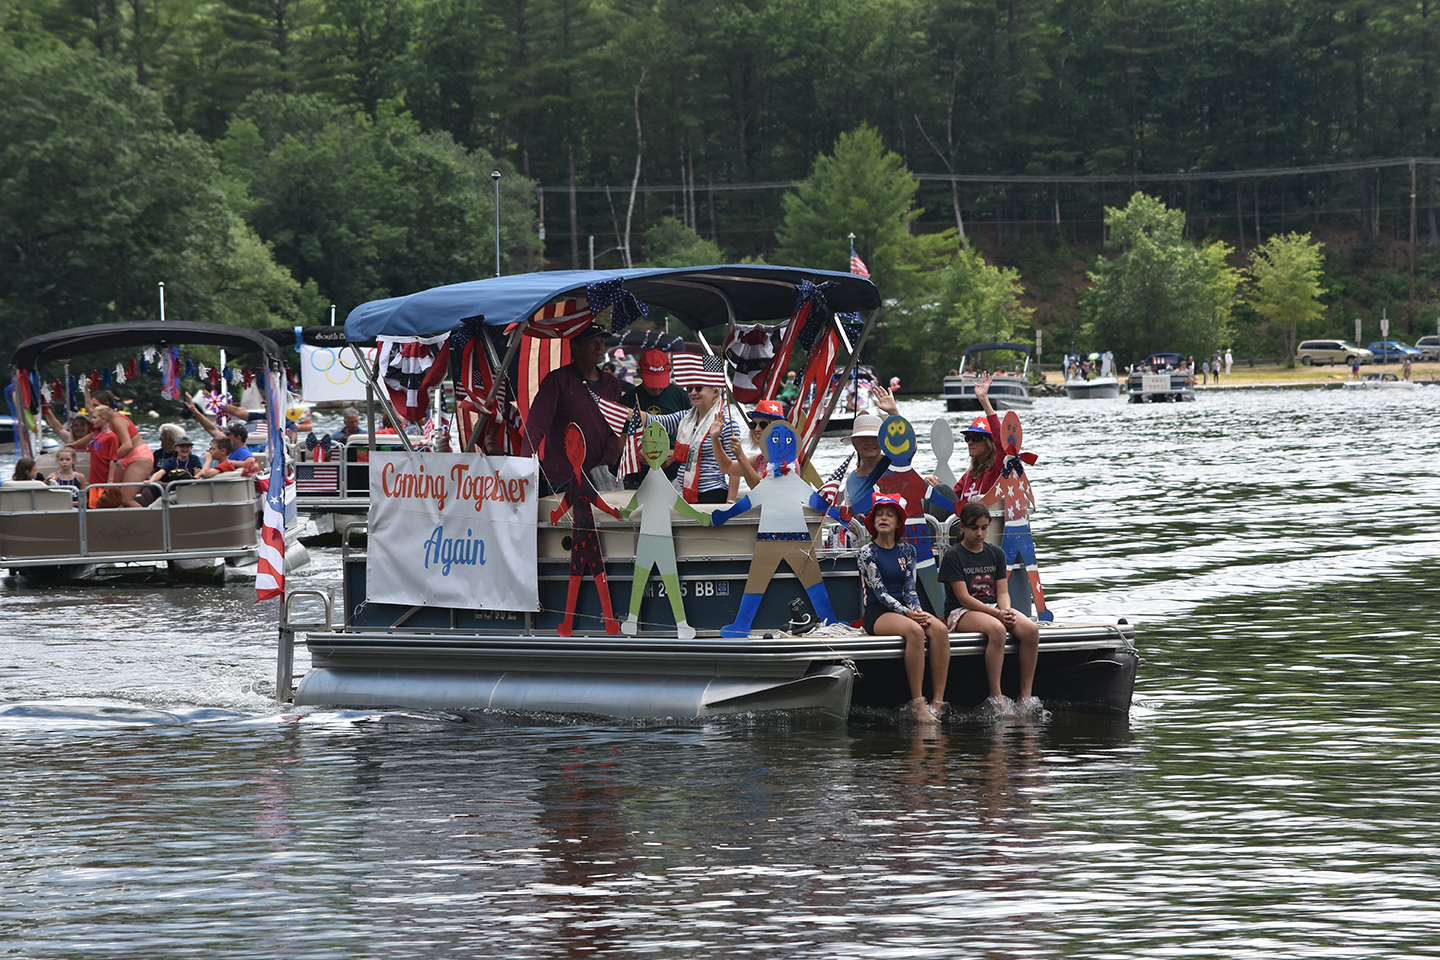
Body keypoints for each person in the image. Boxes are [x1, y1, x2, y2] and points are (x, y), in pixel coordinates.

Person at [940, 500, 1041, 714]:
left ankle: (1025, 695)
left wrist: (1005, 610)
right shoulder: (953, 555)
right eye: (974, 528)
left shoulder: (996, 553)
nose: (980, 533)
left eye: (984, 528)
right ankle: (996, 695)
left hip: (993, 607)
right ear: (963, 527)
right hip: (961, 611)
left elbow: (1003, 592)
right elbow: (964, 598)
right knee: (997, 629)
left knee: (1031, 630)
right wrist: (998, 615)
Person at [858, 494, 950, 723]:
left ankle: (938, 702)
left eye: (890, 515)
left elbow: (910, 588)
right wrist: (909, 615)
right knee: (915, 631)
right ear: (873, 522)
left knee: (939, 629)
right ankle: (918, 704)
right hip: (878, 612)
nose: (883, 518)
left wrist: (917, 611)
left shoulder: (908, 550)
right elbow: (880, 592)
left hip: (906, 611)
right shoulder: (867, 553)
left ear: (899, 523)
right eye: (879, 514)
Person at [619, 421, 713, 639]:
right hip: (651, 538)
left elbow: (675, 503)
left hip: (658, 538)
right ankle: (671, 624)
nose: (653, 448)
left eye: (657, 441)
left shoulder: (658, 479)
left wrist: (698, 516)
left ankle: (662, 623)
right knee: (649, 580)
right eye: (650, 441)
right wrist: (625, 512)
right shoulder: (654, 480)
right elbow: (638, 500)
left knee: (658, 580)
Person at [523, 323, 623, 493]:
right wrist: (523, 470)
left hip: (603, 477)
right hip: (563, 479)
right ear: (575, 348)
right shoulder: (557, 380)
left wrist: (603, 466)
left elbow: (616, 431)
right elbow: (535, 427)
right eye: (593, 341)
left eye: (602, 341)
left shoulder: (612, 383)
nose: (600, 346)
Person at [549, 425, 625, 636]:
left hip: (588, 534)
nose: (575, 449)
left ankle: (608, 622)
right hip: (580, 535)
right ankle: (569, 624)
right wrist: (556, 514)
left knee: (598, 578)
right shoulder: (575, 482)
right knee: (577, 579)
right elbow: (567, 502)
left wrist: (612, 511)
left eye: (579, 444)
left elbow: (596, 500)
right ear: (565, 449)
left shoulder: (580, 481)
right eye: (570, 444)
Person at [646, 381, 740, 503]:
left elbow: (735, 468)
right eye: (690, 389)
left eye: (699, 388)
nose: (693, 393)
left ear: (715, 392)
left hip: (713, 493)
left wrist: (730, 502)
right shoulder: (685, 418)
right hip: (686, 492)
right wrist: (621, 412)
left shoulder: (726, 423)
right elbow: (653, 421)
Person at [620, 349, 689, 486]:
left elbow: (697, 437)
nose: (657, 389)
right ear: (639, 373)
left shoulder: (683, 397)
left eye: (660, 384)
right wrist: (635, 454)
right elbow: (620, 440)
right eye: (652, 384)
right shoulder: (627, 401)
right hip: (640, 478)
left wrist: (676, 454)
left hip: (677, 475)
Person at [90, 389, 152, 507]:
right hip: (125, 459)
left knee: (125, 499)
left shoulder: (117, 419)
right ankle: (123, 524)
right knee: (112, 496)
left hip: (140, 458)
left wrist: (108, 460)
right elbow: (90, 437)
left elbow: (127, 445)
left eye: (96, 406)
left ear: (107, 405)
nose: (93, 409)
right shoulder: (103, 423)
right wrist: (74, 444)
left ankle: (149, 522)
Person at [954, 374, 1005, 502]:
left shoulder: (999, 469)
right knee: (939, 488)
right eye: (968, 438)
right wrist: (932, 486)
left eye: (976, 438)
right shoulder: (969, 475)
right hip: (964, 520)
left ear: (989, 442)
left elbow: (1001, 440)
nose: (970, 442)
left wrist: (983, 400)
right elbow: (950, 498)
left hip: (987, 520)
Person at [716, 399, 786, 491]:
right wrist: (715, 438)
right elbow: (726, 467)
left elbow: (761, 490)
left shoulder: (784, 458)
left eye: (763, 425)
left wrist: (740, 455)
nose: (756, 429)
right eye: (753, 424)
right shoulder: (761, 459)